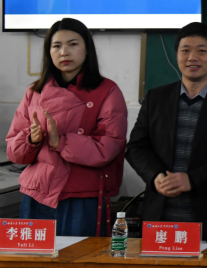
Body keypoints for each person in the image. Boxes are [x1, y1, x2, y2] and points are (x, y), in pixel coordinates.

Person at [126, 22, 207, 242]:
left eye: (201, 51)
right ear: (177, 55)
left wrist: (192, 179)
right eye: (185, 50)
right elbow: (136, 147)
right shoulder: (156, 98)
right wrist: (155, 176)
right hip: (160, 217)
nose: (192, 57)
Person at [5, 17, 127, 236]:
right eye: (56, 46)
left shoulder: (107, 90)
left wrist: (60, 142)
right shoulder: (34, 91)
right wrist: (32, 140)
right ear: (49, 52)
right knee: (34, 257)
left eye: (73, 44)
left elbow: (107, 148)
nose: (64, 52)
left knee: (79, 257)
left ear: (87, 49)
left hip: (82, 194)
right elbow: (14, 152)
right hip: (37, 193)